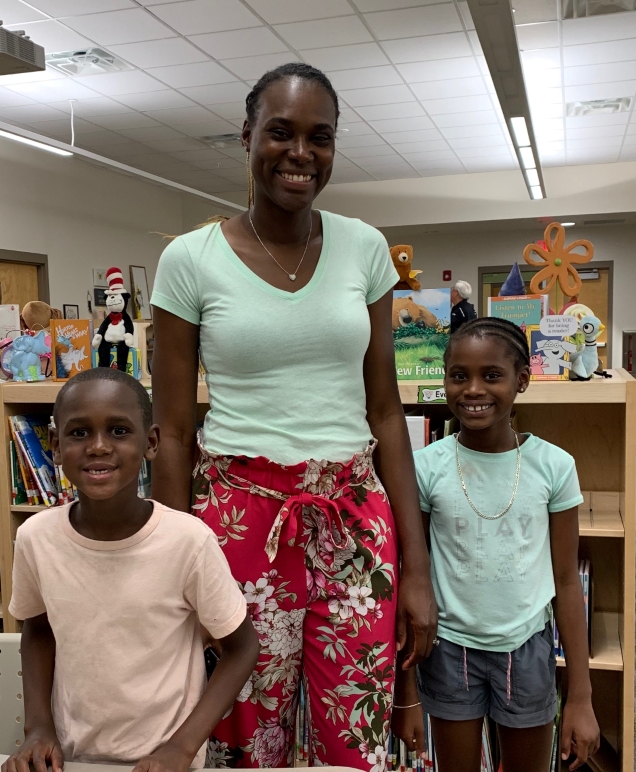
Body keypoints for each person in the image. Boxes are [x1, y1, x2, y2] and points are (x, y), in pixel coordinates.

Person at [149, 63, 438, 769]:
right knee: (249, 736)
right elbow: (175, 431)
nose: (300, 153)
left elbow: (385, 410)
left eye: (320, 137)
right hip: (240, 521)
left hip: (352, 518)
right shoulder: (189, 260)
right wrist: (168, 564)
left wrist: (418, 568)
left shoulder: (365, 247)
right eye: (280, 133)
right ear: (247, 136)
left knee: (357, 738)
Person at [2, 369, 259, 772]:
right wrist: (38, 728)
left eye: (119, 431)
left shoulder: (188, 541)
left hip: (165, 763)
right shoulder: (36, 538)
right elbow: (37, 631)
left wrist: (182, 748)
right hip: (72, 759)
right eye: (79, 433)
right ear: (54, 444)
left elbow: (243, 648)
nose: (99, 447)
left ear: (150, 443)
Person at [395, 318, 600, 772]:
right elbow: (412, 579)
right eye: (458, 375)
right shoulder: (426, 467)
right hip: (448, 649)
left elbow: (567, 581)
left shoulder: (555, 466)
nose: (472, 389)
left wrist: (581, 699)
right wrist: (405, 693)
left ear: (521, 381)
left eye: (491, 375)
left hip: (526, 649)